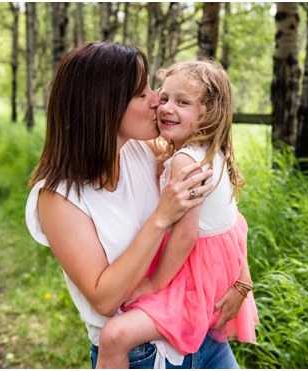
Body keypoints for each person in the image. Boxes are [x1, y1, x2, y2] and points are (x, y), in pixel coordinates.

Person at [25, 42, 225, 369]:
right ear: (102, 105)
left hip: (200, 333)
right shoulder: (58, 197)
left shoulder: (143, 148)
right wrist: (160, 218)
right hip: (139, 353)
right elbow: (105, 299)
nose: (156, 100)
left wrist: (240, 279)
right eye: (140, 93)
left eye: (150, 87)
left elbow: (210, 204)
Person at [95, 60, 259, 368]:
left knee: (114, 335)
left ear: (207, 114)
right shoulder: (213, 152)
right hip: (219, 269)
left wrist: (154, 284)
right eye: (165, 97)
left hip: (196, 274)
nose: (166, 107)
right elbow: (234, 220)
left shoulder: (185, 162)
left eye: (182, 102)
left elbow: (184, 234)